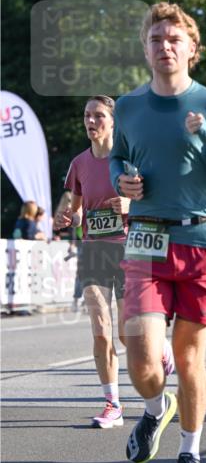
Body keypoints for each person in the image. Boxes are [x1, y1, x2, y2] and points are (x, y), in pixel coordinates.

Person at [109, 2, 206, 463]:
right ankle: (156, 407)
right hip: (147, 239)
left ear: (192, 50)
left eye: (174, 40)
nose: (165, 46)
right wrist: (121, 179)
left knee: (189, 358)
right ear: (145, 49)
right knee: (142, 363)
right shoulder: (128, 106)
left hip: (201, 241)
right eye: (156, 40)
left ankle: (190, 456)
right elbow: (118, 158)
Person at [55, 95, 138, 427]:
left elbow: (157, 201)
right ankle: (112, 404)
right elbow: (77, 213)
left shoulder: (131, 159)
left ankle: (157, 350)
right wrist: (69, 219)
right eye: (87, 115)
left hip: (130, 249)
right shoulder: (78, 164)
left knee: (125, 334)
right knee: (101, 331)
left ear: (113, 121)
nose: (91, 121)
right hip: (93, 251)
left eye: (98, 116)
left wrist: (132, 207)